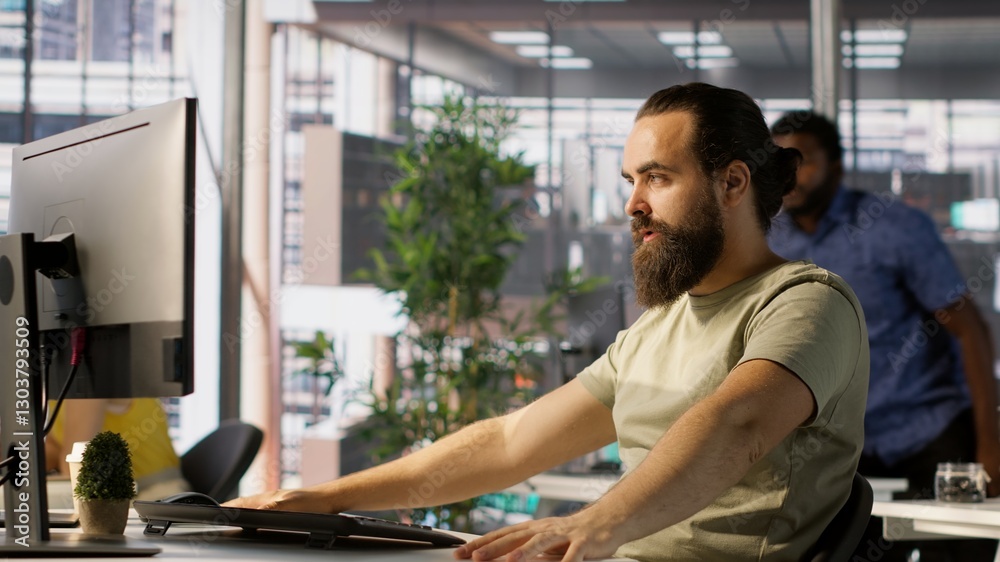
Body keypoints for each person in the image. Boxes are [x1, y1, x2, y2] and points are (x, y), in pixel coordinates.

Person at [228, 83, 870, 561]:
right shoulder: (658, 327)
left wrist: (597, 522)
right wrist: (325, 499)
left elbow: (739, 421)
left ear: (733, 183)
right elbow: (511, 443)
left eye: (658, 177)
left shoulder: (805, 302)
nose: (633, 203)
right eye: (630, 179)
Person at [767, 111, 1000, 561]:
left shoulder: (894, 228)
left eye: (803, 161)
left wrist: (991, 444)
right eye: (780, 162)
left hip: (930, 434)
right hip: (845, 453)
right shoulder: (768, 240)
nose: (790, 175)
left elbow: (970, 330)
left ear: (836, 167)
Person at [45, 398, 192, 501]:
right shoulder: (60, 373)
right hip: (123, 493)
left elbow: (77, 468)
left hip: (153, 495)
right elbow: (54, 449)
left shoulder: (86, 371)